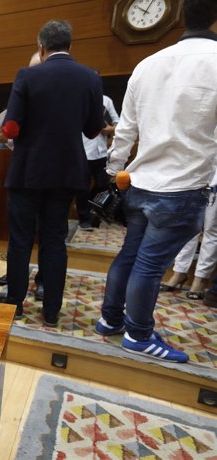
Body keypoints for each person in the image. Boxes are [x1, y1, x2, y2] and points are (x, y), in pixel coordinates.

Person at [95, 0, 217, 363]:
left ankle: (110, 319)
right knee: (148, 264)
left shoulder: (147, 64)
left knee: (130, 255)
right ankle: (138, 334)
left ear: (180, 17)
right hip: (182, 186)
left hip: (137, 181)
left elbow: (125, 130)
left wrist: (112, 172)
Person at [0, 20, 103, 326]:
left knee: (20, 240)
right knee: (55, 240)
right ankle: (52, 310)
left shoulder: (28, 75)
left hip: (28, 171)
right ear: (70, 45)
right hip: (67, 173)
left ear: (41, 47)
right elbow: (94, 131)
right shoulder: (90, 78)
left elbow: (11, 127)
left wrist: (10, 130)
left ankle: (15, 303)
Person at [77, 92, 119, 230]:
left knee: (103, 185)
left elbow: (117, 124)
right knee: (82, 187)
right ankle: (84, 219)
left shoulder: (106, 100)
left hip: (101, 152)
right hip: (82, 151)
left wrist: (108, 129)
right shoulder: (78, 99)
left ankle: (88, 207)